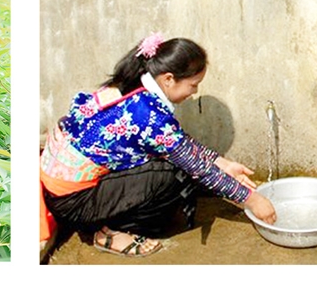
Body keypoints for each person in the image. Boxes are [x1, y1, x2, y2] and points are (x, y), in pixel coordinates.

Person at [40, 35, 277, 258]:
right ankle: (106, 232)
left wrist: (221, 163)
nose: (194, 93)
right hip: (73, 203)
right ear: (169, 79)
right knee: (169, 179)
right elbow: (198, 169)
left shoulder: (135, 86)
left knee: (174, 167)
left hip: (62, 187)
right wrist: (253, 200)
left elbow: (179, 142)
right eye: (193, 85)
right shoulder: (147, 115)